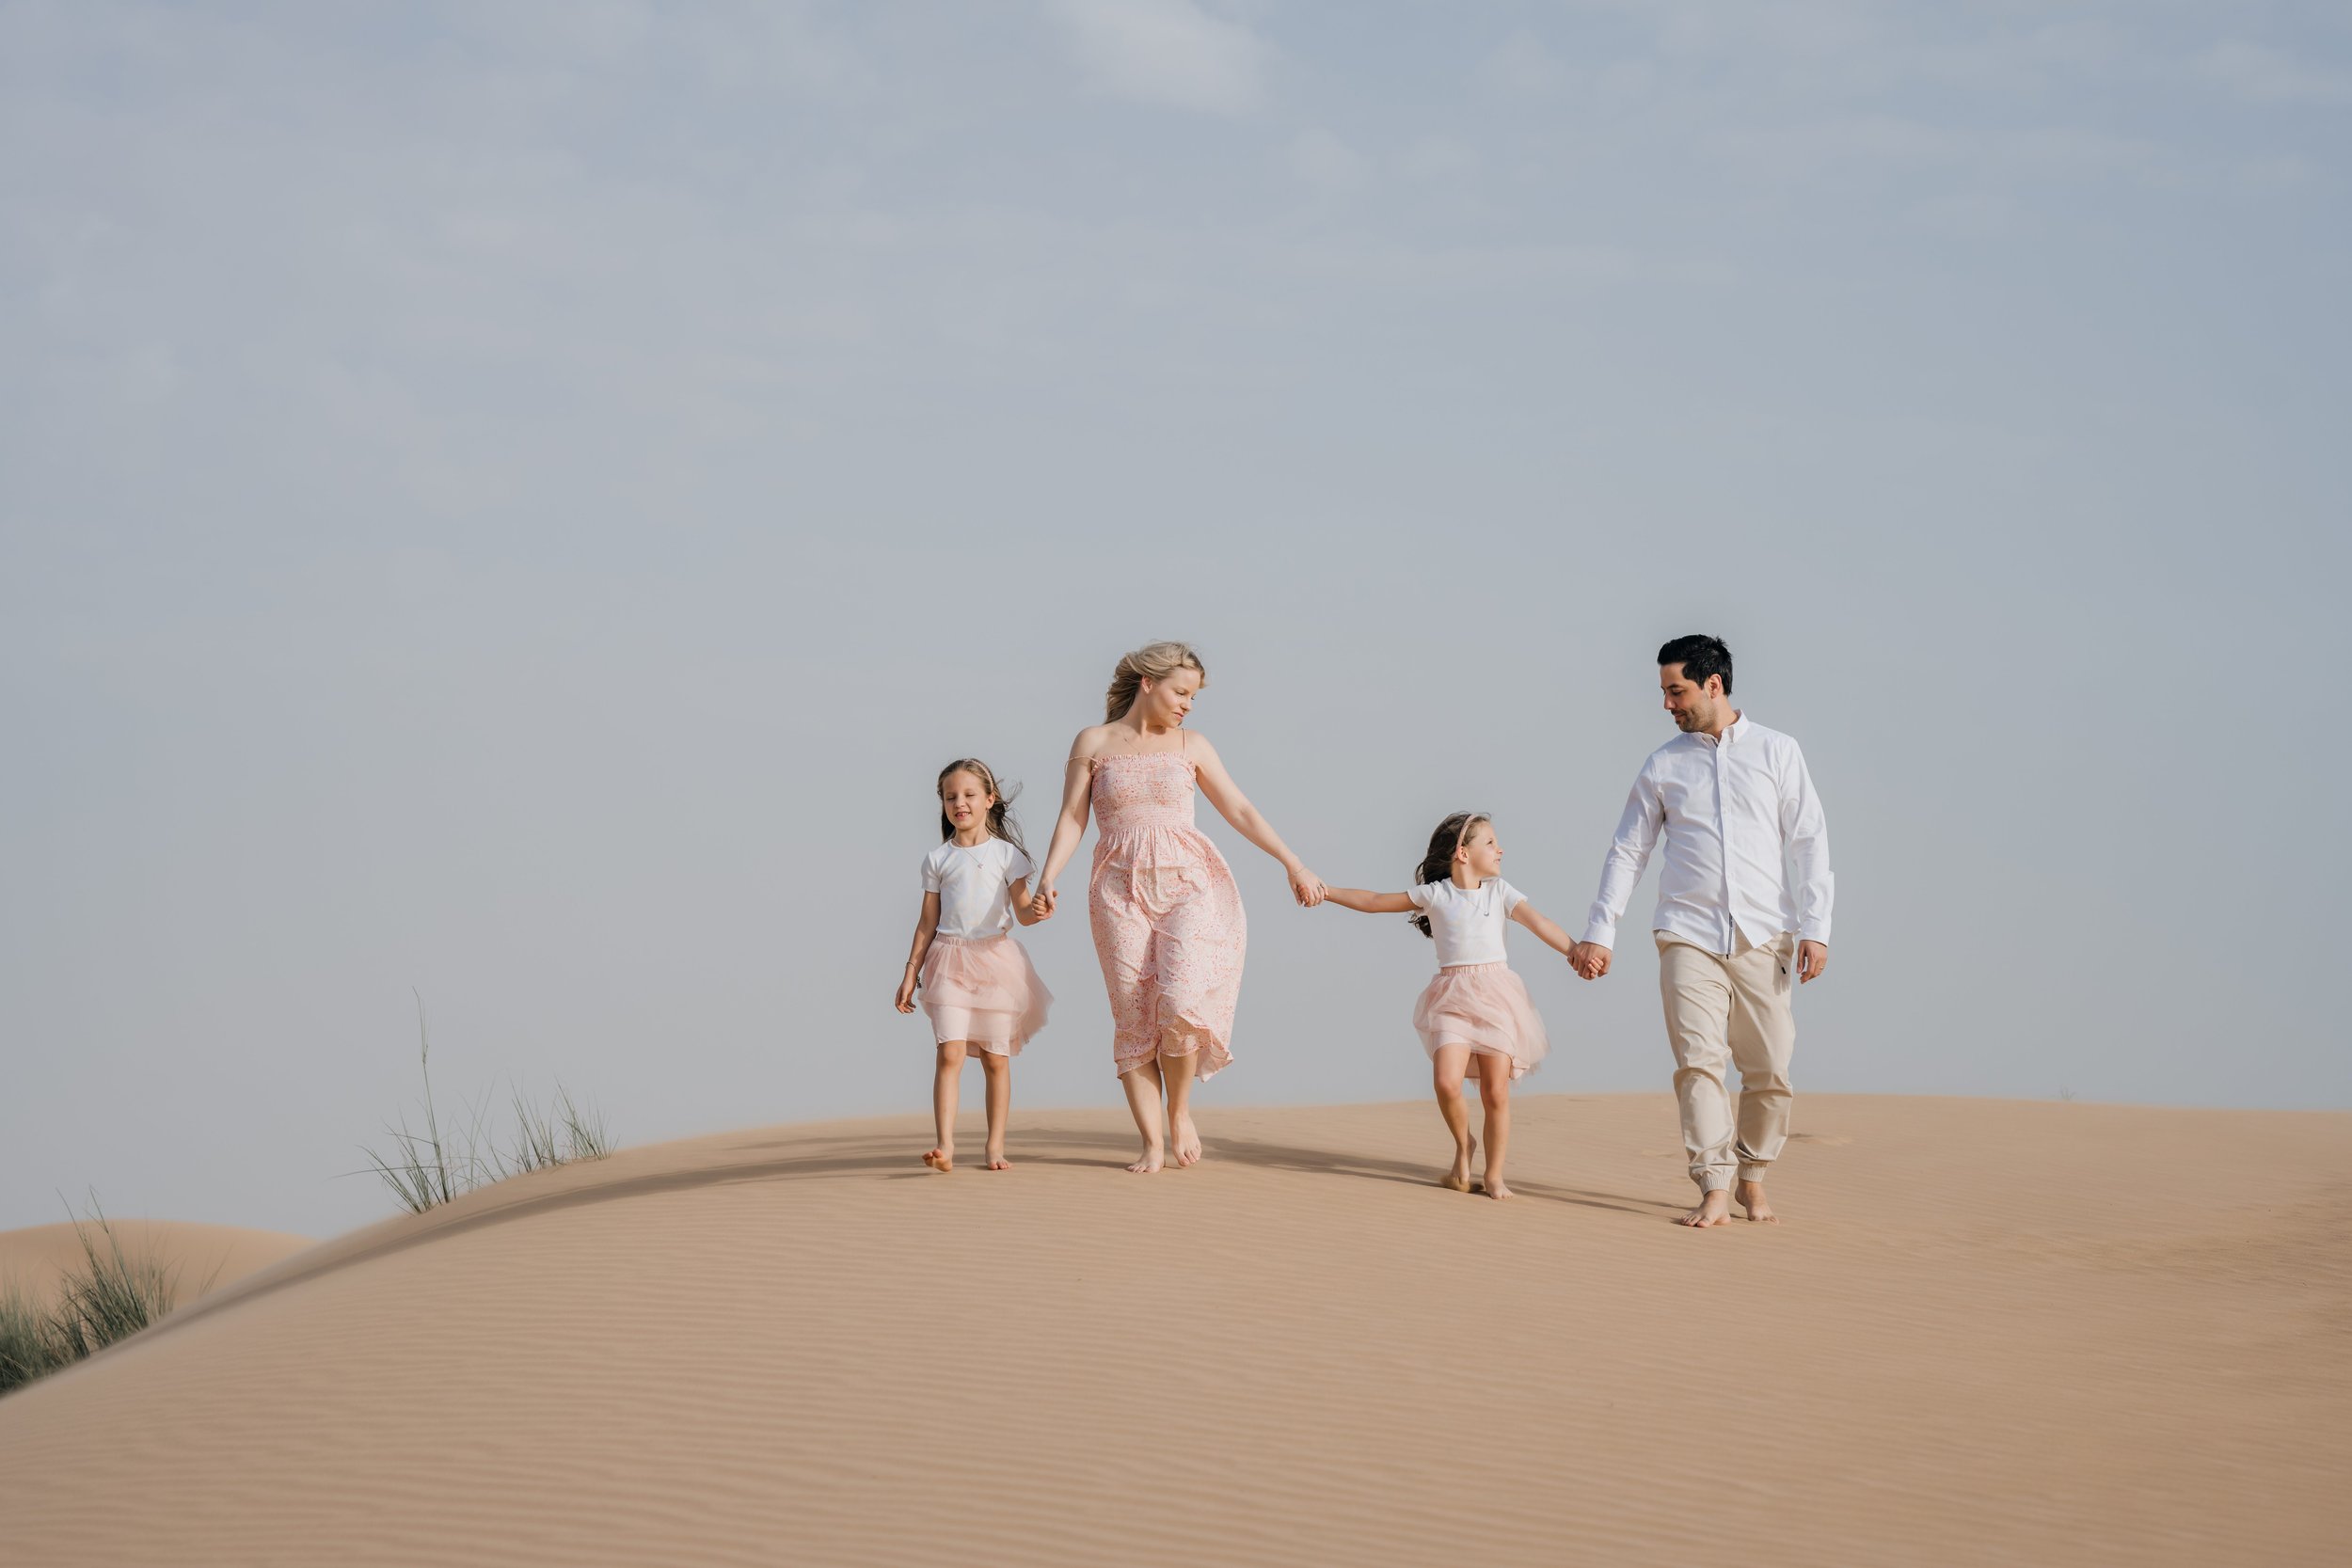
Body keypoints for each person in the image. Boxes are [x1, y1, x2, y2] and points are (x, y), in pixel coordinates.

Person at [1029, 641, 1326, 1173]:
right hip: (1116, 888)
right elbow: (1073, 818)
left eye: (1193, 695)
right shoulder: (1094, 741)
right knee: (1134, 1013)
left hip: (1189, 881)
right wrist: (1049, 876)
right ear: (1149, 682)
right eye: (1181, 691)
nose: (1187, 704)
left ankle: (1180, 1111)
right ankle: (1150, 1141)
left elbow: (1239, 808)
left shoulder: (1193, 745)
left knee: (1181, 998)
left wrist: (1293, 861)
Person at [1567, 635, 1834, 1227]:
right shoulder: (1663, 763)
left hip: (1766, 935)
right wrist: (1600, 931)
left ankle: (1753, 1175)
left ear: (1713, 684)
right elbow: (1627, 851)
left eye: (1676, 690)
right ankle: (1714, 1185)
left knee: (1770, 1068)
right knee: (1698, 1061)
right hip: (1686, 933)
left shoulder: (1778, 752)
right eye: (1664, 692)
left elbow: (1810, 842)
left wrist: (1817, 927)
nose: (1667, 704)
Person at [1320, 812, 1577, 1199]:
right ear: (1462, 852)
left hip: (1498, 998)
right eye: (1490, 842)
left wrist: (1576, 952)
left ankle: (1493, 1175)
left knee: (1495, 1092)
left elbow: (1540, 923)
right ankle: (1463, 1145)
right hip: (1452, 997)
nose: (1499, 848)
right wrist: (1326, 891)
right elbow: (1373, 901)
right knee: (1445, 1081)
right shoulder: (1436, 895)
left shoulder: (1500, 892)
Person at [895, 758, 1054, 1173]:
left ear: (989, 799)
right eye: (950, 797)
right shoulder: (937, 859)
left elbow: (1023, 913)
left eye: (968, 795)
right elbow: (927, 920)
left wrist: (1039, 908)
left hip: (996, 962)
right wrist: (911, 971)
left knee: (994, 1058)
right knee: (948, 1053)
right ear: (942, 805)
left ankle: (994, 1146)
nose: (959, 803)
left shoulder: (1008, 856)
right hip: (948, 960)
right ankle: (944, 1145)